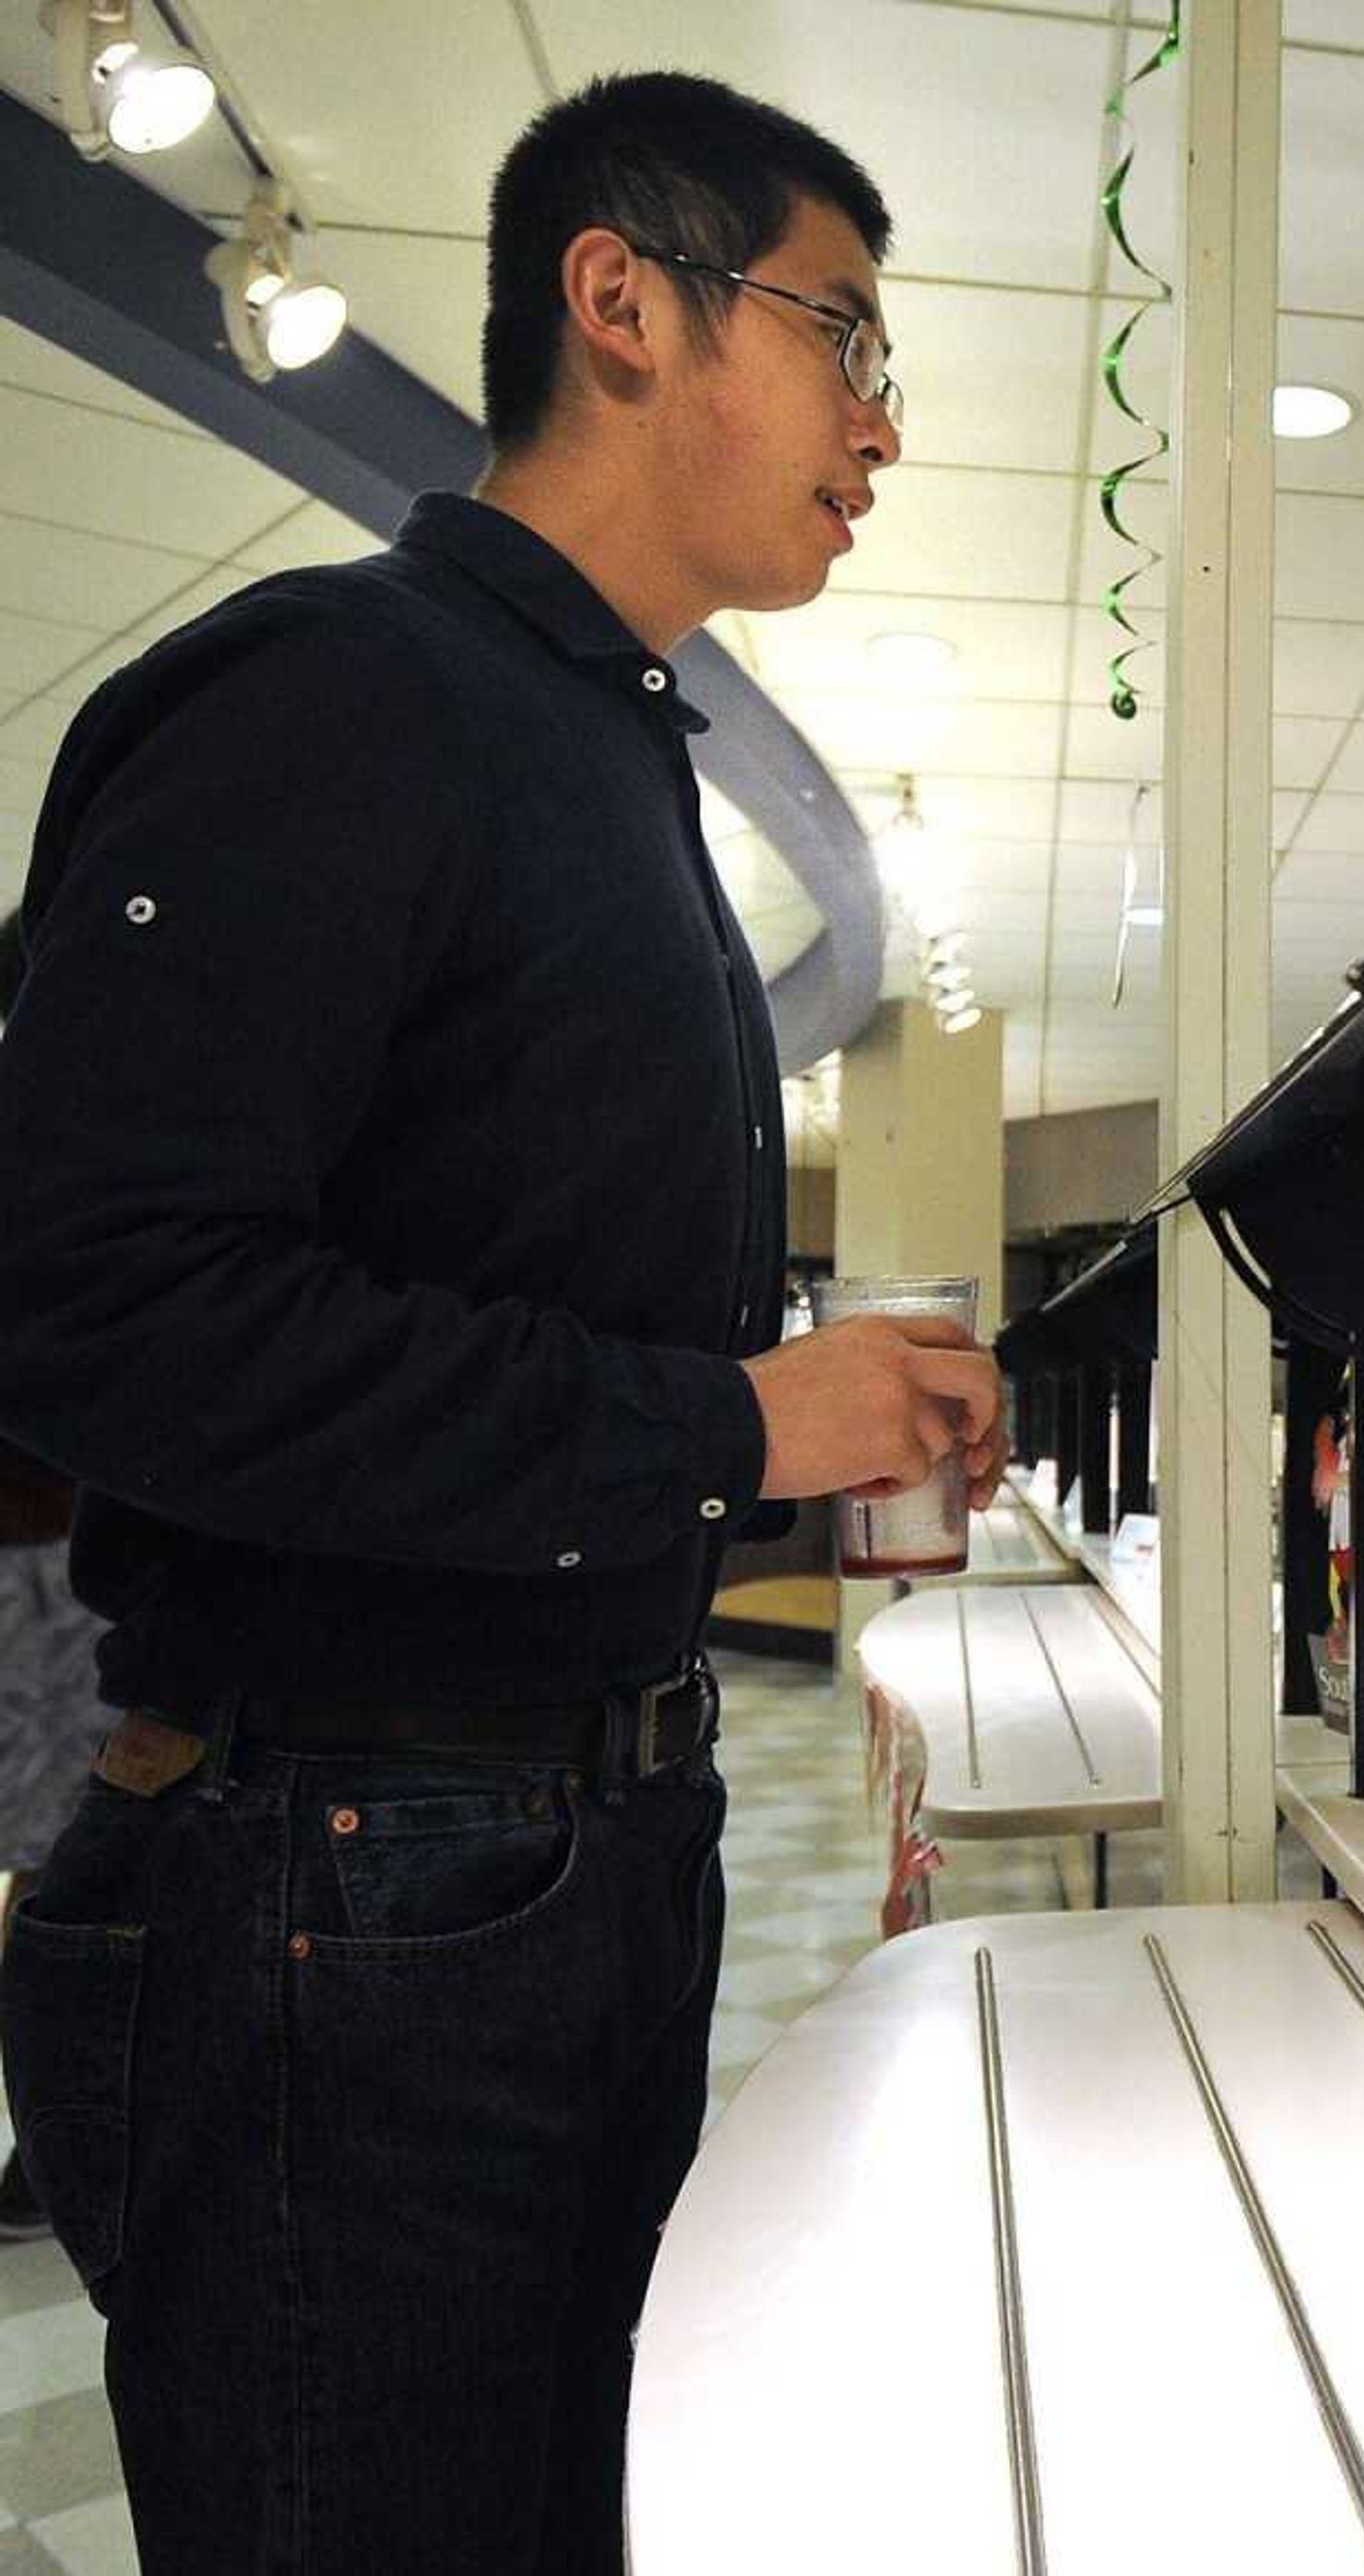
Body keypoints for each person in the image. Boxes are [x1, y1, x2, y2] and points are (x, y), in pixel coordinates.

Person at [0, 74, 1004, 2573]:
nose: (881, 425)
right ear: (621, 299)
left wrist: (772, 1418)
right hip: (336, 1868)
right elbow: (94, 1301)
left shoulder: (609, 758)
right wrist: (727, 1417)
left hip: (557, 1847)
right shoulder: (343, 692)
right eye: (842, 335)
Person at [0, 1440, 114, 2243]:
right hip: (56, 1549)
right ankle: (47, 2167)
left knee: (64, 1865)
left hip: (73, 1544)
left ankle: (46, 2167)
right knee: (64, 1868)